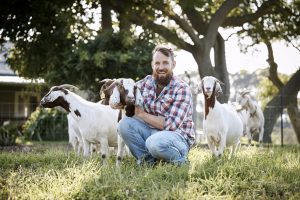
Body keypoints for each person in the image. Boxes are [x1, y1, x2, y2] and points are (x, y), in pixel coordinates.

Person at [117, 44, 195, 166]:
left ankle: (181, 162)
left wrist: (142, 114)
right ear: (152, 65)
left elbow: (171, 125)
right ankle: (148, 162)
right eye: (157, 63)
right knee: (124, 125)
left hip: (178, 137)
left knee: (154, 143)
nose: (161, 67)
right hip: (152, 133)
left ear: (173, 64)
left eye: (165, 63)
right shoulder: (145, 83)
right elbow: (127, 90)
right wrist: (118, 99)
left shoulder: (182, 88)